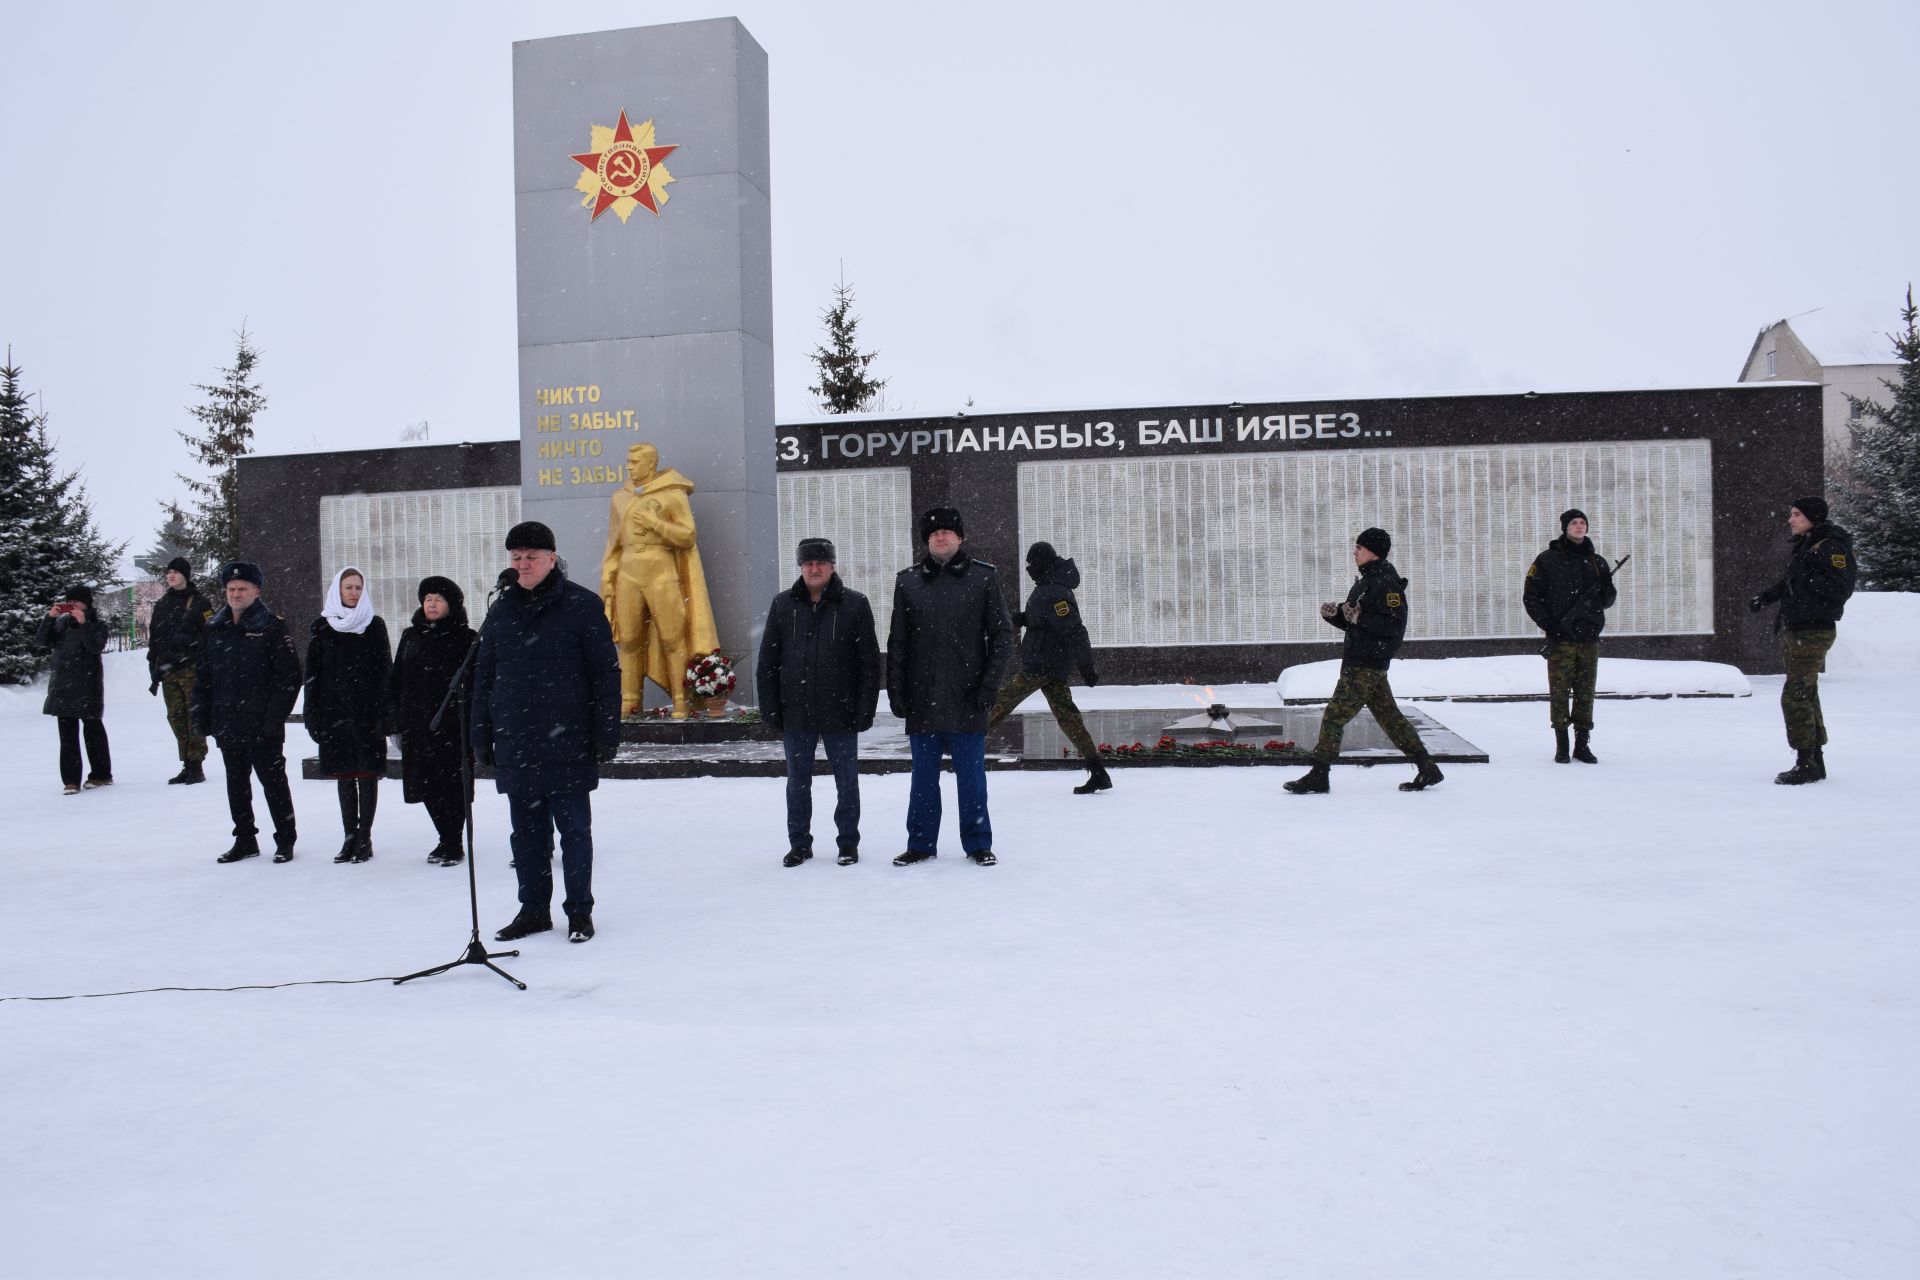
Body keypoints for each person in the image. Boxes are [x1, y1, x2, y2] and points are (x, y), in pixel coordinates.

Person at [473, 522, 621, 942]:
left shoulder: (582, 605)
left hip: (568, 738)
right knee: (527, 835)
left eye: (531, 557)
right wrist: (481, 733)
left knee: (573, 831)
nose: (523, 565)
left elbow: (605, 674)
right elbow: (484, 675)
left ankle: (579, 912)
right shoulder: (501, 609)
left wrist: (605, 731)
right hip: (517, 739)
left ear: (552, 559)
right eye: (516, 557)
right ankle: (533, 909)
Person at [886, 507, 1015, 867]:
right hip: (922, 698)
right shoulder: (908, 582)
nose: (940, 537)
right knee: (923, 780)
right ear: (926, 541)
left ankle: (977, 843)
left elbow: (1003, 636)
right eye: (933, 533)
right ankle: (921, 843)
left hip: (968, 697)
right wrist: (896, 690)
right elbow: (898, 642)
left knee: (971, 779)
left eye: (947, 531)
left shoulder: (983, 578)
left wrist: (989, 686)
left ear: (960, 537)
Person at [1284, 527, 1445, 795]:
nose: (1354, 551)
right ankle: (1427, 768)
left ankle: (1319, 774)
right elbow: (1356, 623)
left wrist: (1358, 618)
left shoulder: (1386, 583)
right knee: (1391, 720)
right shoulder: (1365, 581)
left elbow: (1393, 626)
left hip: (1366, 664)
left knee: (1334, 716)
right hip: (1362, 661)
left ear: (1373, 551)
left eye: (1359, 547)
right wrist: (1335, 615)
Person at [757, 537, 880, 867]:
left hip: (841, 710)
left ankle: (848, 843)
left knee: (847, 783)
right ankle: (799, 843)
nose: (814, 568)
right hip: (796, 712)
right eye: (808, 563)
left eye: (821, 563)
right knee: (797, 783)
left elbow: (869, 663)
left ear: (832, 566)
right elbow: (768, 661)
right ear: (801, 567)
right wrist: (771, 708)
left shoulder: (854, 604)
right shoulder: (784, 605)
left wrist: (864, 709)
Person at [191, 561, 302, 863]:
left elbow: (289, 679)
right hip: (228, 722)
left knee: (274, 784)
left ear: (257, 591)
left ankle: (285, 839)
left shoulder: (271, 626)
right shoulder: (214, 628)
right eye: (231, 589)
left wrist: (273, 718)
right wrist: (200, 714)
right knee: (236, 784)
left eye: (242, 589)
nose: (236, 594)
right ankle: (244, 839)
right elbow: (203, 676)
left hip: (262, 724)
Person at [600, 442, 719, 718]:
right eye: (628, 461)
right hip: (628, 573)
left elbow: (687, 536)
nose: (628, 466)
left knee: (672, 637)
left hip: (660, 571)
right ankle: (629, 700)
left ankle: (681, 699)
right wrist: (608, 579)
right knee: (628, 640)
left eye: (634, 462)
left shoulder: (672, 493)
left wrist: (655, 523)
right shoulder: (620, 497)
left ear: (650, 463)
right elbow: (613, 543)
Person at [1750, 495, 1856, 785]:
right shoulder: (1808, 545)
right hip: (1799, 629)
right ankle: (1814, 759)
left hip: (1814, 630)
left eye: (1796, 514)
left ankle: (1806, 761)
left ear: (1812, 517)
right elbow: (1792, 582)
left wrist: (1804, 583)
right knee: (1805, 692)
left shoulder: (1830, 546)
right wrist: (1768, 596)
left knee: (1795, 693)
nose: (1790, 519)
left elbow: (1841, 587)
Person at [987, 541, 1106, 794]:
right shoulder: (1048, 587)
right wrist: (1024, 619)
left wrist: (1087, 666)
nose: (1029, 569)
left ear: (1043, 564)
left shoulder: (1056, 591)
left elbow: (1074, 630)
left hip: (1044, 665)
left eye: (1032, 564)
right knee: (1068, 717)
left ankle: (965, 742)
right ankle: (1098, 771)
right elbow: (1046, 619)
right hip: (1048, 664)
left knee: (1003, 699)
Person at [304, 568, 391, 864]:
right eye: (347, 587)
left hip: (366, 714)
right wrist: (312, 712)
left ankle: (365, 836)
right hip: (333, 713)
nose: (353, 592)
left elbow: (384, 672)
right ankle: (348, 836)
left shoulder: (374, 625)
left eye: (357, 587)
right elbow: (312, 674)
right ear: (337, 591)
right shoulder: (322, 626)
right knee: (344, 775)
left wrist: (384, 713)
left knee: (366, 775)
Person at [389, 576, 478, 865]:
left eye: (438, 599)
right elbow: (397, 679)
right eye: (427, 599)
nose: (431, 603)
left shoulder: (467, 638)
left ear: (450, 605)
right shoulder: (411, 636)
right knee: (426, 785)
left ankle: (454, 841)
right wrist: (394, 717)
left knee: (453, 786)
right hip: (417, 725)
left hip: (453, 726)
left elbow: (476, 683)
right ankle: (444, 836)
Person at [1523, 509, 1619, 763]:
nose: (1579, 526)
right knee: (1559, 692)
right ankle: (1562, 744)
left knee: (1586, 692)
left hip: (1588, 638)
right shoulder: (1547, 560)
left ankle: (1582, 744)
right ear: (1565, 528)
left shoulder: (1597, 562)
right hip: (1561, 638)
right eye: (1574, 523)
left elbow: (1607, 601)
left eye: (1583, 523)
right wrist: (1550, 626)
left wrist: (1608, 589)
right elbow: (1531, 597)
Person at [36, 585, 111, 795]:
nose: (73, 605)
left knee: (93, 731)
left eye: (77, 601)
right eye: (70, 601)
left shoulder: (97, 625)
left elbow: (95, 647)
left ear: (86, 604)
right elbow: (40, 641)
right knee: (67, 735)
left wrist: (84, 623)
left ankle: (101, 774)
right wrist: (49, 618)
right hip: (63, 687)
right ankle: (70, 780)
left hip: (88, 686)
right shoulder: (61, 625)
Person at [146, 557, 212, 784]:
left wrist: (191, 643)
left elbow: (210, 635)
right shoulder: (163, 603)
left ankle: (196, 764)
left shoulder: (199, 603)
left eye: (175, 572)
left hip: (191, 668)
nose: (171, 576)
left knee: (193, 714)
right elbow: (155, 637)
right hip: (168, 669)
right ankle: (186, 761)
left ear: (186, 575)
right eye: (169, 572)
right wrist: (153, 665)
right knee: (176, 716)